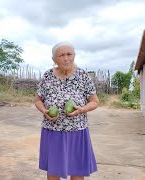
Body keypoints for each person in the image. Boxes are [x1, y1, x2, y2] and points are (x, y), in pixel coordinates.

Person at [34, 41, 99, 180]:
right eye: (61, 55)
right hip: (52, 130)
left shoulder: (83, 75)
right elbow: (37, 100)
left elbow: (94, 101)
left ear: (74, 56)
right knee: (53, 170)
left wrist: (81, 109)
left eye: (69, 54)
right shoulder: (47, 76)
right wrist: (44, 110)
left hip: (77, 130)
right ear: (54, 59)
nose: (66, 58)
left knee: (77, 170)